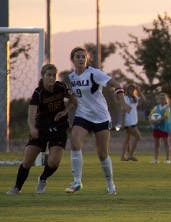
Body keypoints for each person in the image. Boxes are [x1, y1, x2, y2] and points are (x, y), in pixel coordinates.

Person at [6, 64, 77, 195]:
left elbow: (74, 100)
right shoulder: (38, 93)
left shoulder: (61, 87)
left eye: (53, 75)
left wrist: (65, 111)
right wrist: (32, 128)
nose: (51, 78)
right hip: (41, 129)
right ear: (43, 76)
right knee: (27, 161)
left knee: (54, 162)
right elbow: (31, 114)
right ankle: (17, 187)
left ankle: (43, 178)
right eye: (48, 75)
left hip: (59, 128)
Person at [65, 47, 125, 195]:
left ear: (87, 59)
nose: (80, 59)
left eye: (83, 57)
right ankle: (77, 182)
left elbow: (116, 85)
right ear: (72, 60)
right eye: (77, 56)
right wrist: (64, 110)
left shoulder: (94, 73)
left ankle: (110, 184)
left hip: (101, 117)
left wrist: (122, 102)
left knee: (102, 154)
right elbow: (74, 98)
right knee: (74, 142)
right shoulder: (71, 78)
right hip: (83, 115)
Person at [149, 92, 171, 164]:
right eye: (161, 98)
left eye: (163, 98)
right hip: (157, 128)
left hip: (164, 128)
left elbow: (165, 116)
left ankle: (167, 159)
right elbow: (151, 115)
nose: (162, 100)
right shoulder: (156, 107)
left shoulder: (167, 107)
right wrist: (151, 120)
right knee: (157, 144)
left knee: (166, 143)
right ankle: (156, 159)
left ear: (166, 100)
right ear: (159, 99)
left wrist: (157, 120)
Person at [121, 84, 143, 162]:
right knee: (138, 137)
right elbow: (124, 110)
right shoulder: (126, 98)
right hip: (129, 122)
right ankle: (130, 155)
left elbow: (143, 99)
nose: (131, 90)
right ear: (127, 90)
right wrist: (123, 123)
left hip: (133, 121)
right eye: (130, 89)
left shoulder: (134, 98)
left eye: (133, 89)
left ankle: (123, 157)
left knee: (127, 139)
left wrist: (139, 90)